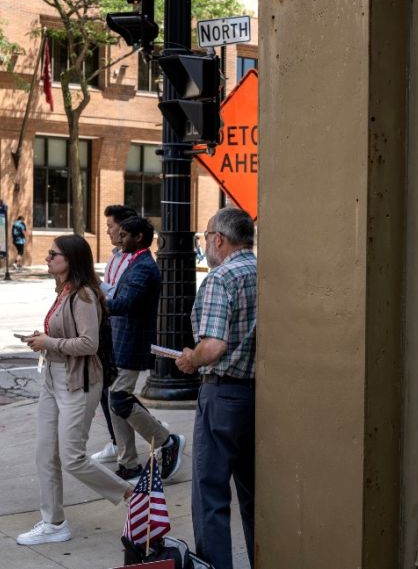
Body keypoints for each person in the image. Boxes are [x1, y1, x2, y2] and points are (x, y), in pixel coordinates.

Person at [16, 235, 135, 545]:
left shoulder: (83, 295)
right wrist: (41, 339)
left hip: (78, 383)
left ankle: (130, 494)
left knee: (72, 458)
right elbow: (64, 335)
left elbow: (89, 344)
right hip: (53, 381)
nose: (47, 258)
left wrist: (49, 343)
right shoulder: (63, 292)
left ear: (70, 260)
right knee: (45, 454)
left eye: (53, 254)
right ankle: (53, 523)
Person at [175, 207, 257, 569]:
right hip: (259, 394)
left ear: (219, 239)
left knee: (210, 491)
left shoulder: (220, 279)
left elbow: (214, 345)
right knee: (254, 493)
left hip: (222, 393)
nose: (205, 244)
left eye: (206, 237)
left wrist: (191, 358)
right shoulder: (263, 271)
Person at [106, 216, 184, 482]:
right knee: (114, 399)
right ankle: (128, 464)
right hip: (121, 342)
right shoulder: (136, 263)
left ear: (139, 237)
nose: (120, 238)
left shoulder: (143, 267)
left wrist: (96, 298)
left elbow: (125, 303)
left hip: (132, 343)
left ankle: (166, 440)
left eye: (125, 235)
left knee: (119, 398)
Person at [90, 204, 137, 464]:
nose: (107, 231)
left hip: (121, 332)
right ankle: (117, 442)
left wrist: (99, 287)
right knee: (106, 392)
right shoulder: (116, 257)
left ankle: (157, 434)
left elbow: (120, 298)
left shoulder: (135, 261)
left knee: (116, 394)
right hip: (107, 329)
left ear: (124, 227)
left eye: (110, 226)